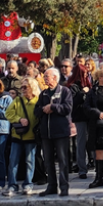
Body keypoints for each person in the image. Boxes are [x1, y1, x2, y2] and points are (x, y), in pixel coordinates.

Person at [35, 67, 73, 197]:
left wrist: (53, 107)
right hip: (46, 133)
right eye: (44, 76)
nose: (45, 79)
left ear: (55, 78)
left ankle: (64, 187)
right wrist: (43, 109)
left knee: (62, 160)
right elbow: (36, 111)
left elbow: (67, 108)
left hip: (61, 132)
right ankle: (51, 186)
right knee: (48, 161)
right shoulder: (44, 94)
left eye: (47, 76)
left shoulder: (65, 91)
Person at [3, 79, 39, 197]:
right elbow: (8, 113)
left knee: (30, 161)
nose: (22, 89)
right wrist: (19, 119)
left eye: (25, 87)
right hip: (17, 135)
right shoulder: (18, 100)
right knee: (13, 161)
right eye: (22, 87)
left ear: (32, 87)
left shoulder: (37, 101)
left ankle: (28, 184)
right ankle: (12, 185)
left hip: (31, 136)